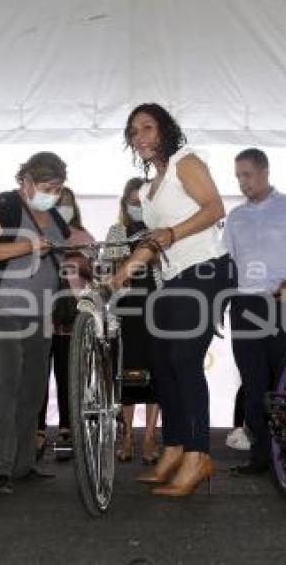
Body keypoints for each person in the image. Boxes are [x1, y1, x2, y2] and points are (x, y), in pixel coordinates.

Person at [111, 103, 234, 497]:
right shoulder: (148, 189)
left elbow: (215, 208)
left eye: (147, 127)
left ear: (165, 130)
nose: (140, 137)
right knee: (161, 363)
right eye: (133, 132)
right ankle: (175, 448)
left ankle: (198, 455)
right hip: (172, 277)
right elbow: (154, 240)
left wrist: (173, 233)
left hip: (207, 270)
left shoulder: (186, 161)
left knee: (183, 359)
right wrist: (124, 271)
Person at [0, 151, 70, 494]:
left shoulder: (55, 216)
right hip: (3, 307)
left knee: (32, 390)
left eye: (58, 187)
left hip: (41, 313)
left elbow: (59, 257)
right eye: (46, 186)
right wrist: (28, 245)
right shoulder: (2, 206)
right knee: (5, 384)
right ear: (25, 181)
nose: (52, 193)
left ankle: (24, 463)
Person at [224, 147, 286, 475]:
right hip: (244, 306)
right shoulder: (235, 217)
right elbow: (225, 263)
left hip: (283, 302)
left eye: (247, 175)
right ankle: (262, 455)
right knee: (254, 385)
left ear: (265, 172)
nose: (242, 182)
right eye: (238, 176)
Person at [104, 177, 162, 465]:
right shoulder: (117, 230)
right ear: (125, 201)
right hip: (126, 307)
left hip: (158, 307)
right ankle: (125, 435)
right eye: (132, 200)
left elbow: (170, 266)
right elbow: (110, 268)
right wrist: (129, 260)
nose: (137, 205)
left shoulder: (162, 230)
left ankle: (150, 436)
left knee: (157, 374)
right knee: (125, 374)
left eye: (142, 200)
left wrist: (151, 258)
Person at [36, 186, 93, 461]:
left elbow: (98, 274)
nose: (63, 207)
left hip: (73, 317)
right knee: (37, 375)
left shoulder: (83, 236)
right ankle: (36, 430)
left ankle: (68, 428)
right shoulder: (38, 233)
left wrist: (79, 260)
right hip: (41, 314)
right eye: (59, 202)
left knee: (68, 374)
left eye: (68, 203)